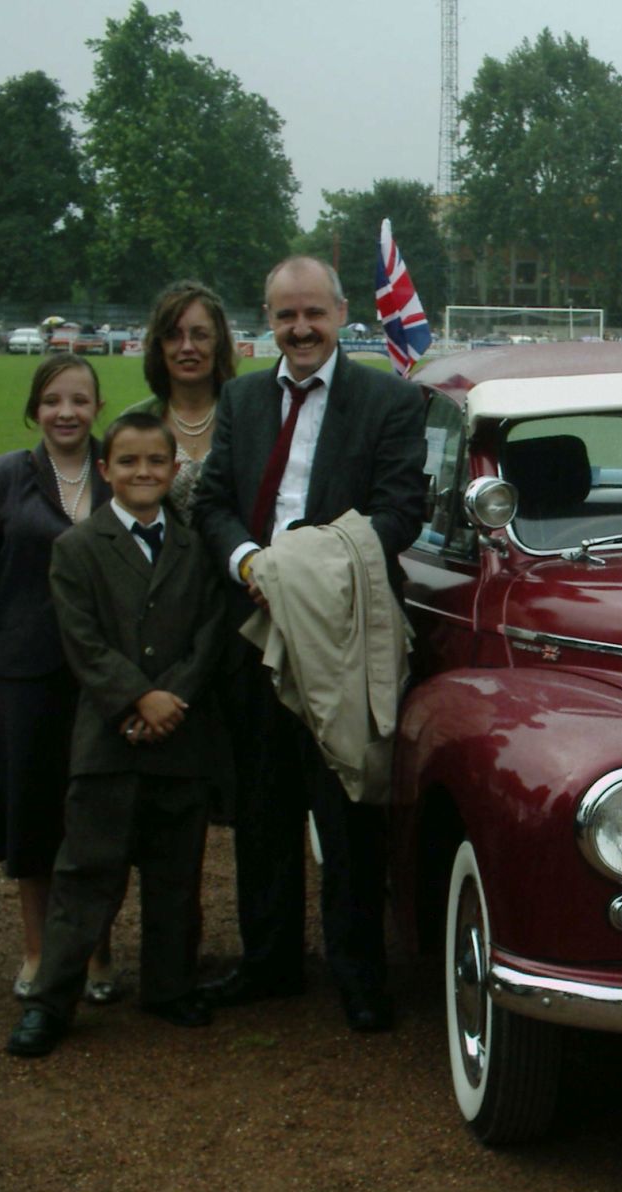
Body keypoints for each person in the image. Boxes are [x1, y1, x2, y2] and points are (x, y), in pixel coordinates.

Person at [190, 255, 426, 1032]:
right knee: (262, 808)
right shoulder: (242, 398)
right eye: (285, 315)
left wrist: (304, 568)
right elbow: (215, 500)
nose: (299, 329)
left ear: (340, 312)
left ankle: (358, 972)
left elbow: (400, 513)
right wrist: (249, 563)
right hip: (256, 624)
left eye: (313, 314)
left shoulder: (389, 401)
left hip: (344, 631)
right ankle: (269, 964)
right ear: (268, 317)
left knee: (347, 807)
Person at [6, 413, 227, 1057]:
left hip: (180, 741)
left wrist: (173, 698)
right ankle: (51, 1001)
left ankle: (169, 986)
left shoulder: (195, 546)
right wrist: (137, 697)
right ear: (105, 471)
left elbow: (211, 634)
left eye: (156, 462)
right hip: (108, 740)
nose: (143, 473)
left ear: (174, 469)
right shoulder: (77, 547)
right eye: (128, 463)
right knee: (84, 876)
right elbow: (82, 641)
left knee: (175, 878)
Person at [0, 354, 122, 1002]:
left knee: (98, 821)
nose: (67, 412)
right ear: (35, 409)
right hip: (23, 677)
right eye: (53, 401)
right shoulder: (2, 478)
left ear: (98, 407)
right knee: (32, 820)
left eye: (79, 400)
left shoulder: (121, 468)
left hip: (105, 677)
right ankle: (37, 951)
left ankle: (98, 953)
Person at [125, 280, 238, 522]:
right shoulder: (135, 422)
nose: (187, 347)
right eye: (173, 336)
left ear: (218, 342)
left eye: (200, 335)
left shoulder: (246, 417)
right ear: (159, 345)